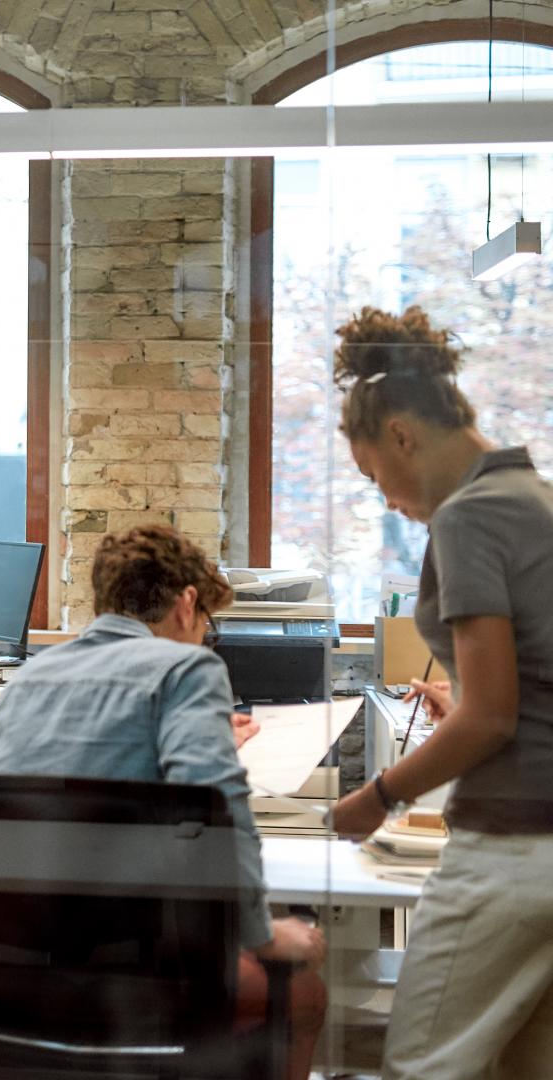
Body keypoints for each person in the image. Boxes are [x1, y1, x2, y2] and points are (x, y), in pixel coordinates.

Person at [0, 524, 327, 1080]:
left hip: (18, 971)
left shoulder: (28, 680)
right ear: (188, 604)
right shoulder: (187, 669)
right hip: (136, 974)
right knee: (304, 992)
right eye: (207, 627)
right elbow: (217, 812)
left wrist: (207, 739)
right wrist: (262, 935)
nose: (202, 641)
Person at [322, 307, 553, 1079]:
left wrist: (379, 795)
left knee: (420, 1062)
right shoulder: (533, 495)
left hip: (512, 850)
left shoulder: (470, 517)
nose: (383, 497)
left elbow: (493, 715)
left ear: (400, 436)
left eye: (371, 475)